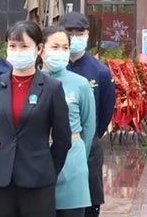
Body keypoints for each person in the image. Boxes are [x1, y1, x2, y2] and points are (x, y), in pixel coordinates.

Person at [0, 20, 71, 217]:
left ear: (38, 49)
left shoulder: (52, 88)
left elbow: (63, 138)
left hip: (38, 178)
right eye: (13, 46)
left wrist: (49, 168)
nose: (18, 51)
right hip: (1, 179)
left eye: (24, 46)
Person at [59, 12, 115, 217]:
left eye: (79, 33)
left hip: (88, 146)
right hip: (54, 145)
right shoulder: (51, 67)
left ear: (87, 35)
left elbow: (106, 110)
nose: (74, 38)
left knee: (89, 202)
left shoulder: (100, 71)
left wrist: (90, 137)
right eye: (69, 33)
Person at [41, 26, 96, 216]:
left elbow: (88, 125)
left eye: (65, 47)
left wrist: (79, 153)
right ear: (40, 49)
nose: (61, 52)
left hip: (72, 161)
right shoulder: (32, 82)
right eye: (55, 47)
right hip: (38, 159)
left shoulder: (80, 84)